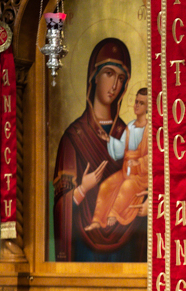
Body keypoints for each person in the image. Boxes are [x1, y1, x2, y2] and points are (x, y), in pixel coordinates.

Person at [51, 38, 146, 262]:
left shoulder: (131, 133)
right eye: (109, 74)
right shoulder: (73, 137)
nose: (115, 85)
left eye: (121, 78)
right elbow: (59, 206)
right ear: (93, 76)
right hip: (84, 249)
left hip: (128, 241)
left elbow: (147, 179)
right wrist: (82, 189)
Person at [86, 88, 149, 231]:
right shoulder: (130, 127)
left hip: (140, 176)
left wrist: (139, 162)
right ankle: (96, 220)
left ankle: (113, 213)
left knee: (127, 187)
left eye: (141, 103)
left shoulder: (150, 130)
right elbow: (121, 149)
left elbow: (154, 156)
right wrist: (109, 139)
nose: (137, 105)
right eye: (136, 102)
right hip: (125, 170)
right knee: (105, 186)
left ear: (148, 107)